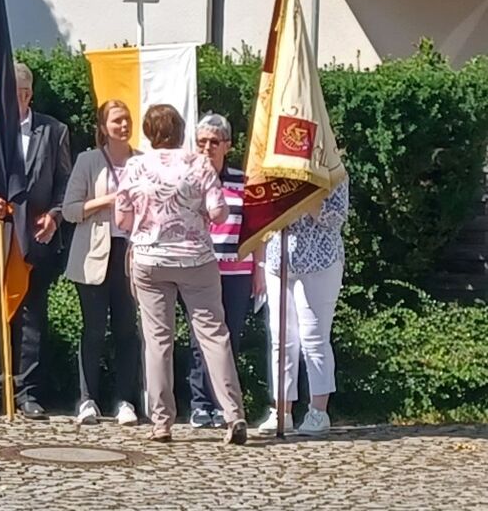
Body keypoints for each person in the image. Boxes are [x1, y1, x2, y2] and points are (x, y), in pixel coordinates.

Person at [113, 104, 247, 445]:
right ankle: (233, 415)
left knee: (158, 341)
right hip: (195, 259)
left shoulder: (135, 166)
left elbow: (121, 219)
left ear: (148, 134)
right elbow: (219, 213)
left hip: (149, 258)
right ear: (181, 132)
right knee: (214, 335)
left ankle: (161, 422)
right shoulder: (199, 164)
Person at [0, 60, 71, 419]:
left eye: (19, 94)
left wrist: (55, 215)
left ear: (28, 94)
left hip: (32, 237)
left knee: (32, 316)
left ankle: (28, 392)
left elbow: (65, 183)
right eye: (6, 95)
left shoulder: (54, 131)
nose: (13, 101)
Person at [58, 99, 142, 426]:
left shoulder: (142, 161)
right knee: (93, 330)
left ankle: (125, 400)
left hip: (131, 253)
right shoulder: (89, 161)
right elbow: (70, 210)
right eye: (117, 120)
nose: (124, 125)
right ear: (103, 127)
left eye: (127, 119)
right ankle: (87, 399)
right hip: (94, 254)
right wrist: (107, 201)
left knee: (127, 330)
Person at [257, 176, 351, 437]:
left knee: (314, 338)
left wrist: (304, 197)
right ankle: (282, 411)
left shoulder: (333, 170)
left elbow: (335, 218)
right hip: (279, 260)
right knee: (281, 338)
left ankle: (318, 412)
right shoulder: (276, 168)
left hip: (320, 260)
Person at [190, 112, 254, 429]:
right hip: (199, 270)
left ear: (227, 145)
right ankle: (200, 403)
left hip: (238, 271)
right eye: (201, 142)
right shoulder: (188, 178)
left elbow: (255, 229)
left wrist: (258, 271)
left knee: (230, 338)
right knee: (199, 339)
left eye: (214, 142)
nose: (207, 148)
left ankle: (222, 405)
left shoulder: (243, 181)